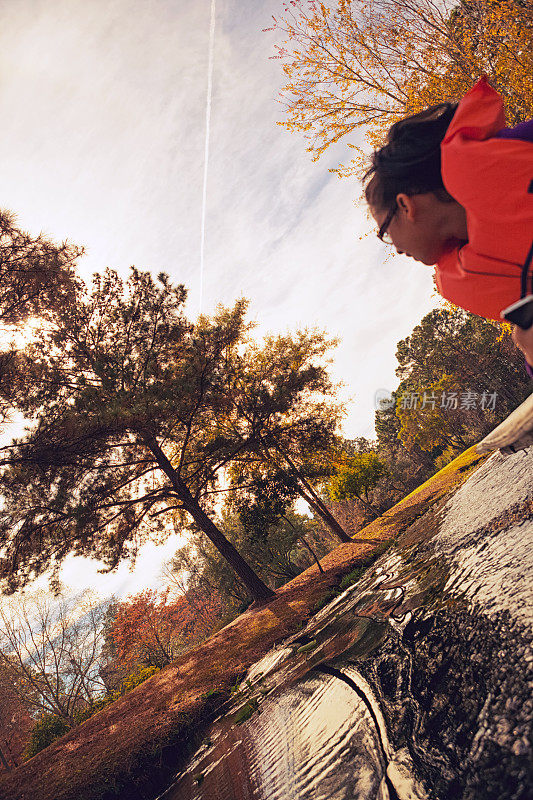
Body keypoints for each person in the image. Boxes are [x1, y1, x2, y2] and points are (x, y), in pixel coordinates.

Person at [364, 76, 533, 375]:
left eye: (386, 232)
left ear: (405, 206)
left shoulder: (521, 145)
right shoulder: (473, 274)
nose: (398, 249)